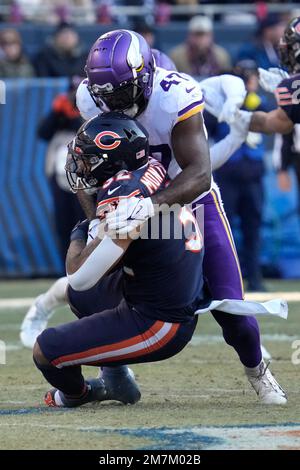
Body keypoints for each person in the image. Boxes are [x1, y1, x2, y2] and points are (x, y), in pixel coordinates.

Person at [23, 31, 286, 405]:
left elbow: (199, 174)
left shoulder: (174, 95)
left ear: (146, 75)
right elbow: (88, 169)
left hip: (187, 201)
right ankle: (112, 371)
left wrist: (151, 204)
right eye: (106, 94)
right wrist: (97, 220)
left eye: (121, 91)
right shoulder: (89, 96)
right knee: (91, 289)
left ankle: (257, 368)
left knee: (231, 307)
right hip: (129, 208)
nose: (113, 101)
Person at [33, 112, 205, 408]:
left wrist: (79, 230)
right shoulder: (148, 170)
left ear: (111, 159)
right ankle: (116, 376)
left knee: (45, 350)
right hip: (161, 292)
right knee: (80, 297)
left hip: (161, 321)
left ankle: (81, 394)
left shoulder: (124, 197)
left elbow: (80, 274)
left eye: (87, 158)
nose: (80, 165)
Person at [211, 61, 269, 291]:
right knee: (225, 229)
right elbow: (211, 129)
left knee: (252, 228)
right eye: (250, 77)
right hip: (228, 173)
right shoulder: (224, 102)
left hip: (253, 175)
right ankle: (225, 280)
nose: (254, 81)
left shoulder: (258, 102)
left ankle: (255, 278)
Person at [37, 76, 85, 263]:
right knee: (63, 223)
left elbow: (88, 130)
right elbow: (42, 132)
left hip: (86, 174)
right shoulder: (61, 111)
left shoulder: (94, 110)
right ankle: (66, 268)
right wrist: (56, 113)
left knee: (84, 221)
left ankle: (85, 266)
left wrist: (76, 117)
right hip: (59, 174)